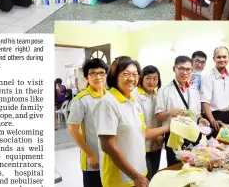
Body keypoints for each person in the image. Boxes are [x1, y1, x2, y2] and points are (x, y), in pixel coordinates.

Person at [93, 57, 170, 187]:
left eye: (135, 74)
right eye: (126, 74)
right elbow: (108, 146)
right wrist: (134, 175)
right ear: (114, 75)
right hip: (120, 177)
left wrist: (170, 127)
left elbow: (143, 132)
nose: (131, 78)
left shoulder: (133, 101)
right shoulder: (108, 103)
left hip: (139, 170)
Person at [155, 55, 210, 167]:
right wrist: (169, 112)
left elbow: (197, 113)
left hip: (193, 135)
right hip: (174, 136)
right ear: (174, 69)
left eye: (188, 69)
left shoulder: (194, 90)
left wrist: (200, 119)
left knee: (194, 166)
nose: (185, 72)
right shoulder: (164, 90)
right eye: (181, 69)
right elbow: (159, 117)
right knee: (175, 167)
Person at [68, 58, 109, 187]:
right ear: (86, 77)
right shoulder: (81, 99)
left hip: (111, 157)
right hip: (93, 158)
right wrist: (90, 154)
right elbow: (72, 129)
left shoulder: (111, 97)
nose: (98, 77)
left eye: (101, 73)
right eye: (93, 73)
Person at [132, 65, 162, 181]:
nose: (152, 82)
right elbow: (140, 122)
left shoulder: (158, 94)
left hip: (157, 143)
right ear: (141, 78)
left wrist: (159, 137)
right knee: (145, 178)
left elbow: (160, 117)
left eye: (155, 78)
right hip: (141, 145)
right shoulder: (135, 95)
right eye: (148, 78)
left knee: (154, 175)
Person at [200, 46, 229, 137]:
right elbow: (204, 102)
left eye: (224, 57)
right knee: (216, 148)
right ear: (214, 59)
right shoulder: (207, 77)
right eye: (219, 57)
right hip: (215, 118)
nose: (222, 59)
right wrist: (212, 121)